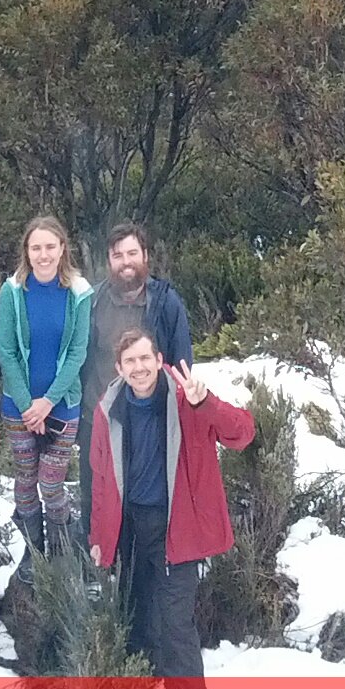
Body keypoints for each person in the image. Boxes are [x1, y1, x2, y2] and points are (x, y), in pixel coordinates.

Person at [88, 329, 255, 689]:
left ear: (159, 359)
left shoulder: (187, 399)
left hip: (177, 531)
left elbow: (242, 433)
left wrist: (207, 402)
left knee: (176, 630)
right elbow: (100, 477)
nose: (139, 368)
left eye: (145, 359)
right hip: (131, 532)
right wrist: (99, 535)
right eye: (130, 361)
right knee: (139, 625)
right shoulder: (108, 408)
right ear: (119, 367)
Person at [0, 214, 93, 581]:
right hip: (18, 407)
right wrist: (26, 404)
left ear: (62, 248)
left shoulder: (79, 293)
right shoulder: (13, 291)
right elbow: (7, 351)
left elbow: (78, 352)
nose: (43, 254)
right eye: (36, 247)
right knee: (24, 481)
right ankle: (33, 556)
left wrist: (47, 402)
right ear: (27, 251)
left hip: (62, 406)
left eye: (50, 246)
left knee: (51, 482)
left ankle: (62, 554)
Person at [78, 222, 194, 526]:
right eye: (118, 255)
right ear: (109, 261)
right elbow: (79, 360)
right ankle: (98, 568)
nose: (126, 261)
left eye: (132, 253)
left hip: (150, 421)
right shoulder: (92, 301)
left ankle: (146, 568)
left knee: (146, 507)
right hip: (99, 419)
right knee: (97, 502)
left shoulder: (166, 302)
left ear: (145, 256)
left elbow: (182, 365)